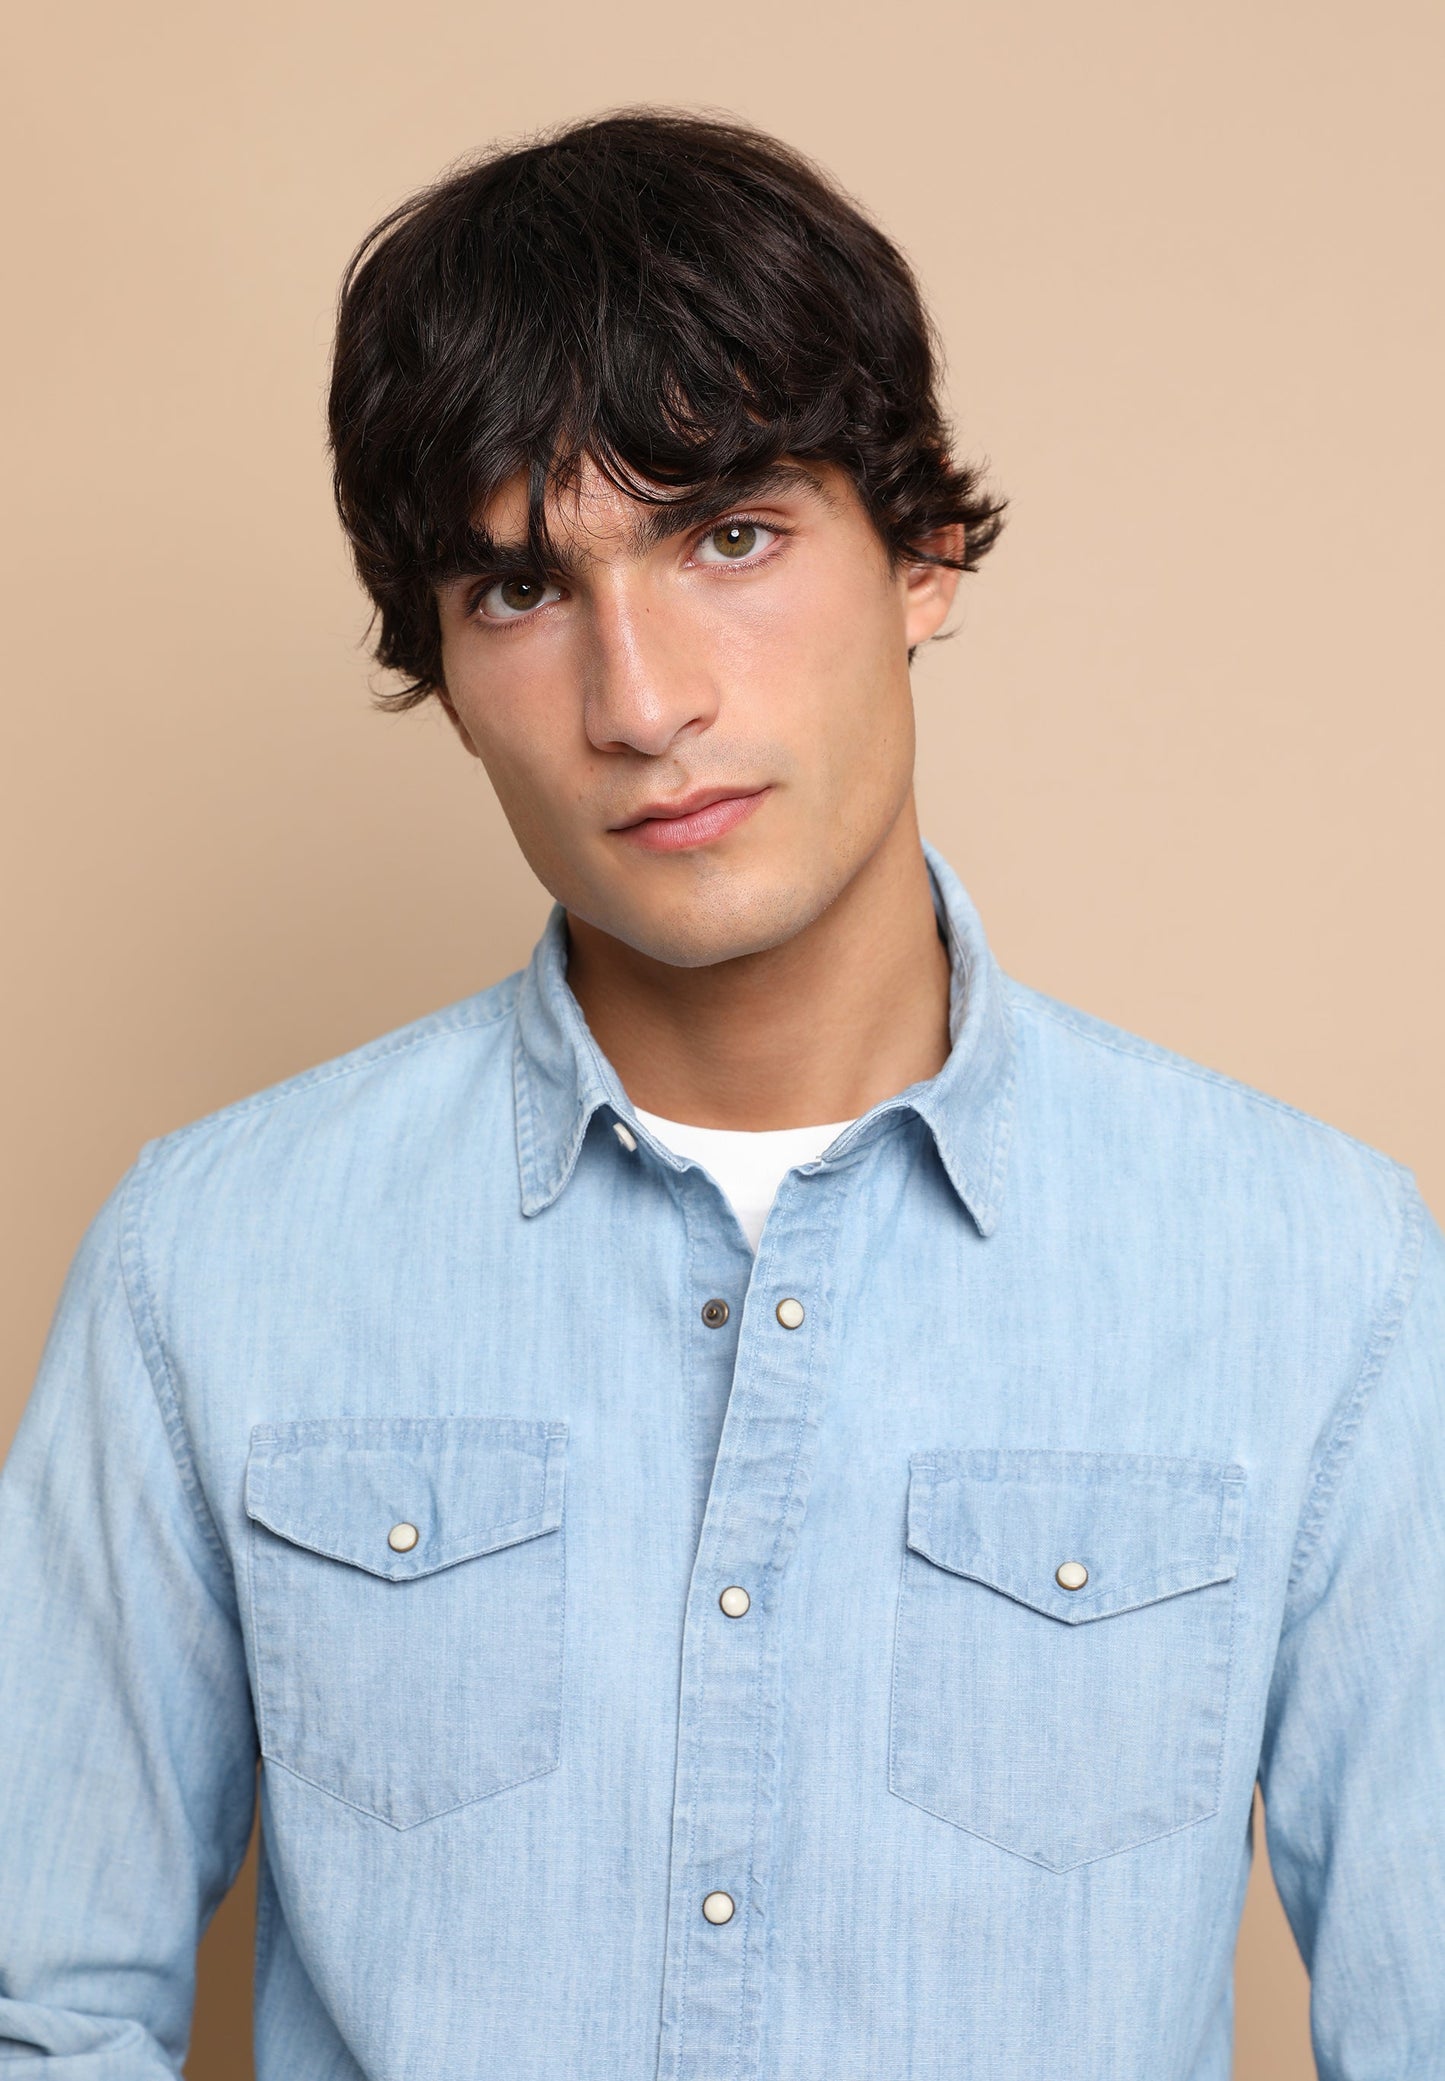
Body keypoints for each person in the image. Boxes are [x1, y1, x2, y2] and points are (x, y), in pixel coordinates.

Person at [0, 108, 1440, 2081]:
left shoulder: (1315, 1273)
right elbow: (38, 2005)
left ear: (921, 550)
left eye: (730, 537)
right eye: (520, 592)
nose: (642, 699)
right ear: (441, 664)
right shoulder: (210, 1265)